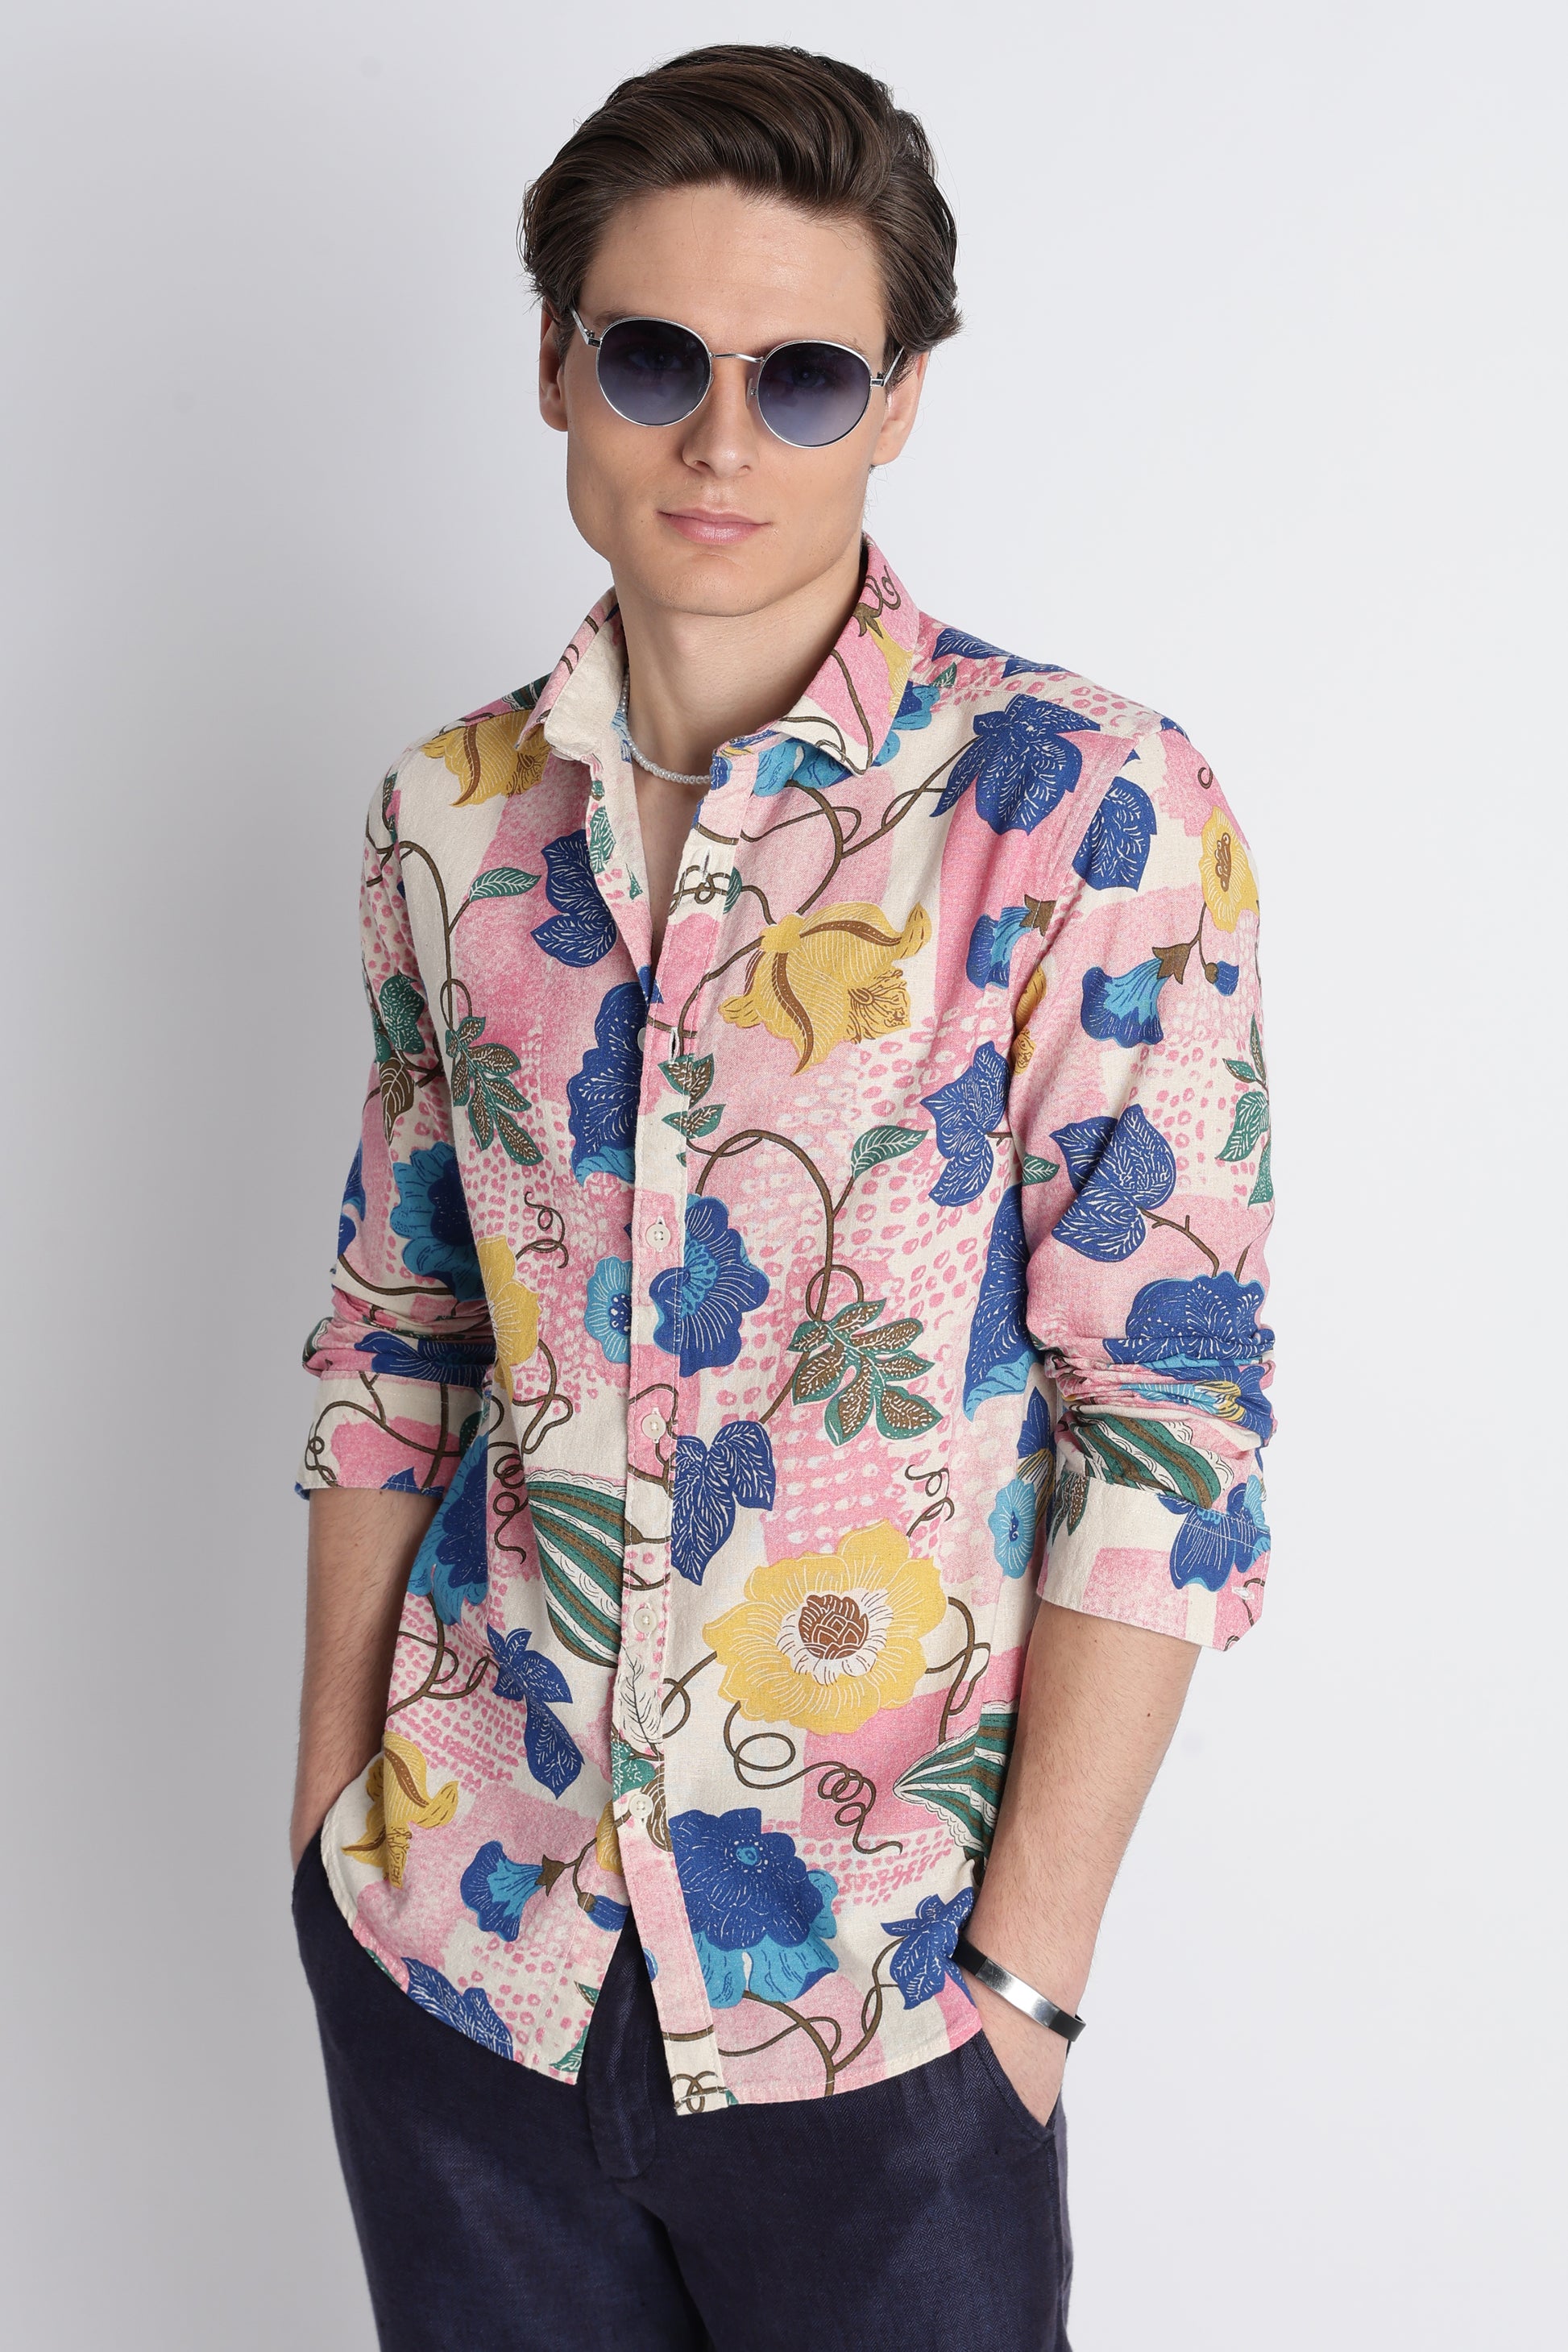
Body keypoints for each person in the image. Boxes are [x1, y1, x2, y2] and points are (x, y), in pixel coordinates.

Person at [288, 42, 1276, 2352]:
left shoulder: (1086, 809)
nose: (721, 441)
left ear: (898, 401)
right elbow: (395, 1336)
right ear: (554, 364)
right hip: (459, 1956)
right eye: (656, 358)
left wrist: (1025, 1983)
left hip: (885, 2011)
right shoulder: (446, 818)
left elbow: (1171, 1418)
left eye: (804, 376)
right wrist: (330, 1833)